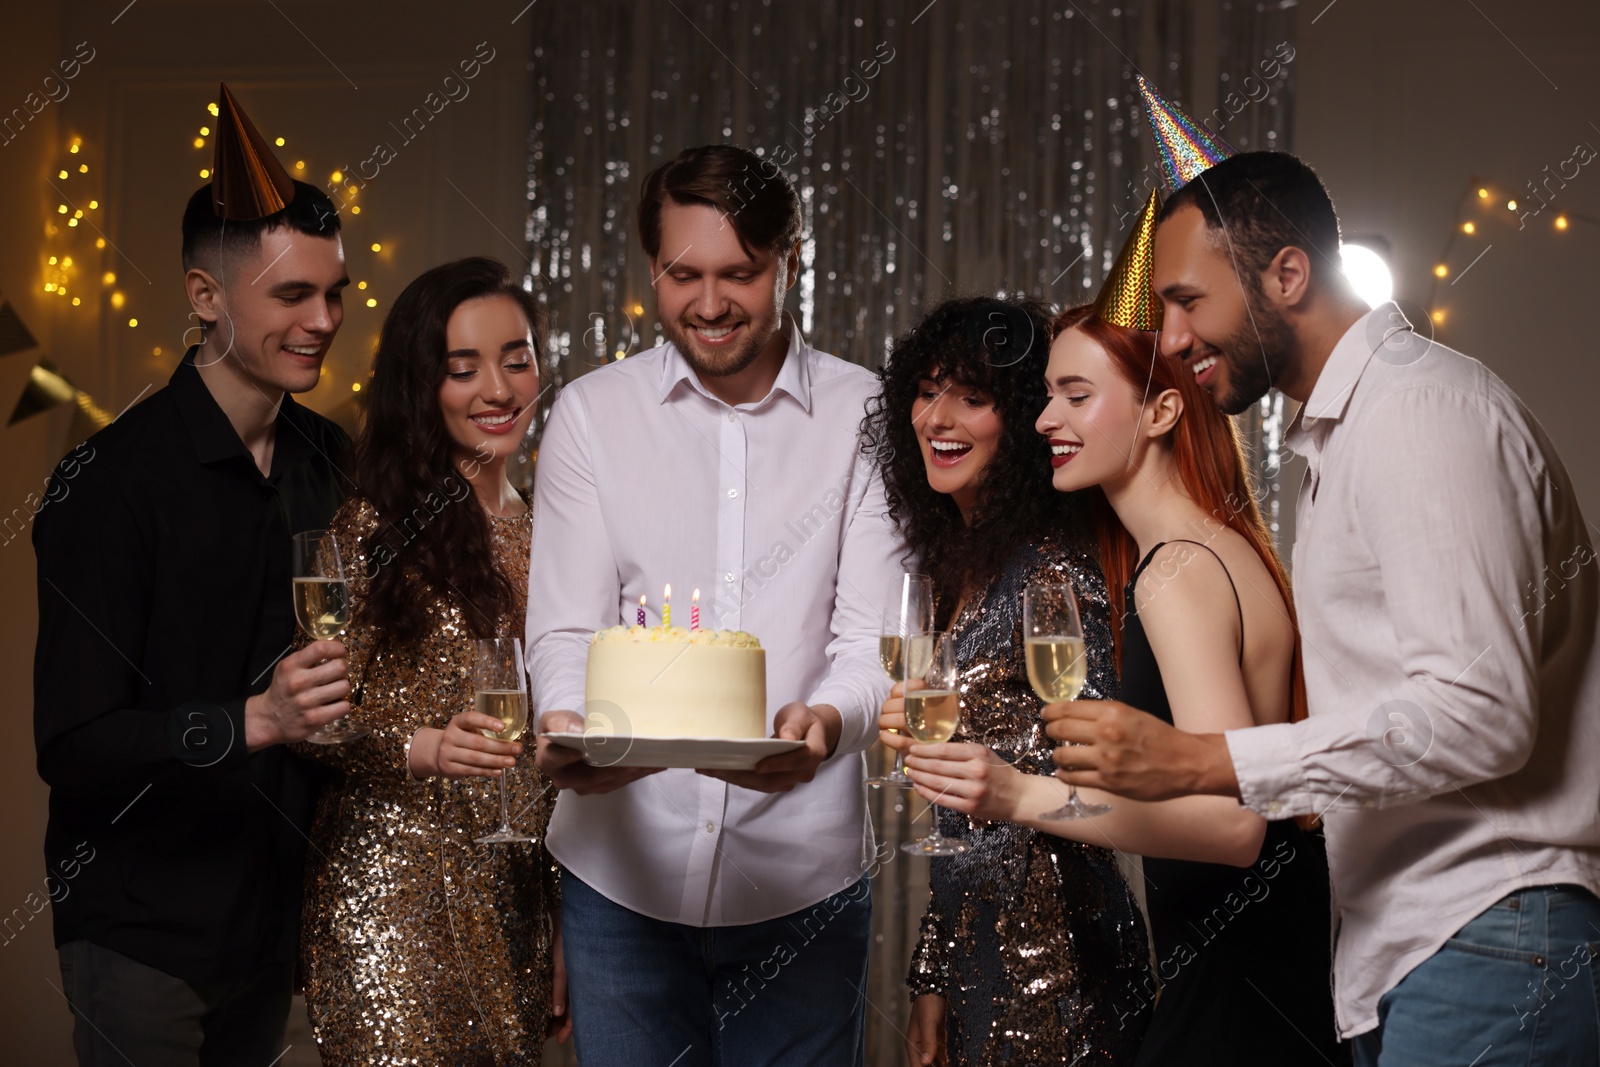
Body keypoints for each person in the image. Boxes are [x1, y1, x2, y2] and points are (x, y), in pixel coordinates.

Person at [1049, 148, 1600, 1067]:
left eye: (1188, 300)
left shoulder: (1421, 414)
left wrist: (1204, 757)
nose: (1174, 338)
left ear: (1288, 274)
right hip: (1421, 950)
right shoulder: (1342, 441)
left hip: (1492, 937)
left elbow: (1484, 715)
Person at [528, 143, 903, 1066]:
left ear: (790, 260)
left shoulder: (869, 417)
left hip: (801, 878)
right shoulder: (589, 415)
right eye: (682, 273)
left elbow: (869, 644)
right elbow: (567, 625)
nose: (708, 302)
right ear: (650, 268)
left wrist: (822, 723)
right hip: (620, 875)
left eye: (740, 272)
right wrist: (567, 725)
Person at [32, 85, 352, 1063]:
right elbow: (74, 740)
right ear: (206, 296)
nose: (323, 318)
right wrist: (256, 719)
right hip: (142, 932)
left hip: (275, 923)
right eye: (292, 295)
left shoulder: (330, 459)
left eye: (333, 291)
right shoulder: (110, 482)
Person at [866, 295, 1153, 1066]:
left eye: (974, 395)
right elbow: (965, 819)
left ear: (1022, 418)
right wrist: (932, 973)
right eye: (927, 392)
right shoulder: (951, 569)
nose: (940, 417)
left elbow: (1112, 786)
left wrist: (1013, 783)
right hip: (975, 954)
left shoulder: (1052, 571)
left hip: (1060, 958)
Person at [294, 257, 564, 1063]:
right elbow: (310, 719)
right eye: (463, 366)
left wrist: (565, 922)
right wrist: (423, 745)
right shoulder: (371, 525)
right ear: (422, 383)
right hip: (389, 896)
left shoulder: (561, 528)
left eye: (517, 358)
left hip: (512, 898)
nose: (498, 388)